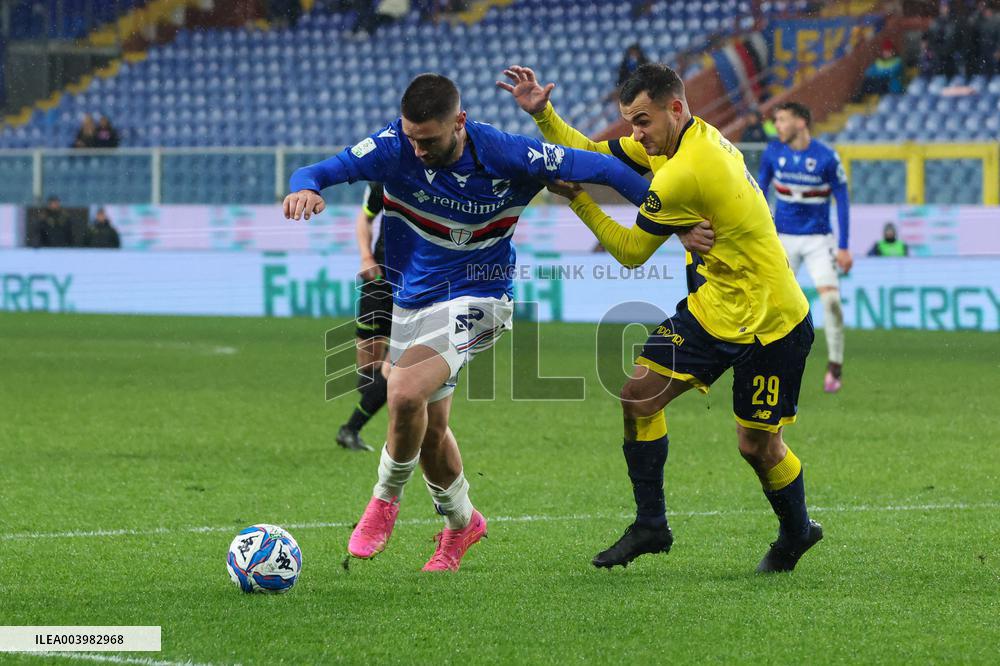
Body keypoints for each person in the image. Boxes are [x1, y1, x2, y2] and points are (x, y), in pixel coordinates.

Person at [284, 73, 662, 572]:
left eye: (430, 140)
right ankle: (463, 524)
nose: (417, 150)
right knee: (431, 431)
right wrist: (304, 189)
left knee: (401, 393)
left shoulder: (505, 152)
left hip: (481, 297)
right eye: (411, 138)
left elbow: (605, 169)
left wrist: (668, 214)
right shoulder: (391, 146)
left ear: (459, 122)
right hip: (411, 303)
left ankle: (383, 501)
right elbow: (317, 171)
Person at [499, 64, 822, 574]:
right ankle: (651, 524)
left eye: (642, 121)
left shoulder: (683, 171)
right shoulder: (683, 140)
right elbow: (593, 155)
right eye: (630, 122)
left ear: (675, 108)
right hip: (715, 305)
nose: (636, 134)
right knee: (638, 395)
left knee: (757, 445)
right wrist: (545, 115)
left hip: (771, 320)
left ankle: (797, 531)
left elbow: (629, 251)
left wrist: (578, 199)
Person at [759, 102, 851, 394]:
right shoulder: (773, 153)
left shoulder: (827, 158)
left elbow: (843, 201)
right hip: (783, 239)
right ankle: (768, 363)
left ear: (801, 123)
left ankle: (835, 366)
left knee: (832, 304)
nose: (777, 126)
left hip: (818, 240)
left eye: (782, 120)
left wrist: (845, 247)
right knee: (772, 304)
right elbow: (758, 194)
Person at [336, 182, 392, 452]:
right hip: (380, 278)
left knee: (397, 369)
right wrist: (366, 257)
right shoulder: (386, 177)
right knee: (368, 378)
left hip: (421, 283)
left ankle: (351, 429)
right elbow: (365, 217)